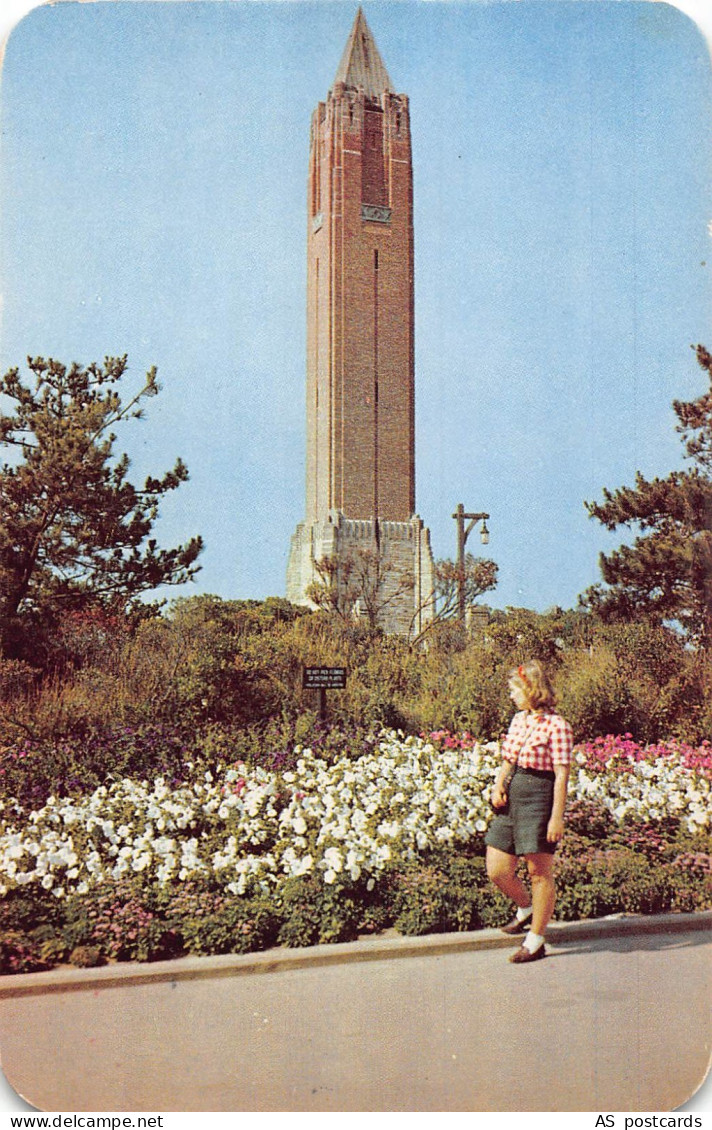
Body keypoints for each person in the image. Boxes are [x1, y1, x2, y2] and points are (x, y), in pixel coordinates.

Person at [485, 659, 573, 963]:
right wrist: (499, 785)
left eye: (514, 689)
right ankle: (525, 908)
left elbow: (561, 775)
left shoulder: (558, 726)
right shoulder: (518, 720)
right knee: (497, 869)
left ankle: (536, 940)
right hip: (511, 795)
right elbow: (508, 759)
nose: (511, 695)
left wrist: (556, 816)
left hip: (539, 797)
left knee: (539, 872)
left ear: (531, 689)